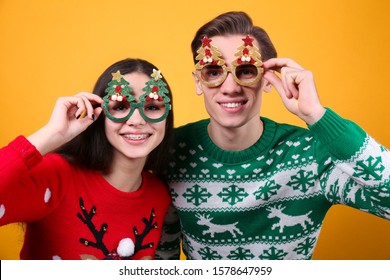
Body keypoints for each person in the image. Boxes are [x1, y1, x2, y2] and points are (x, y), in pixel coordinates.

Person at [156, 11, 390, 260]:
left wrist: (318, 117)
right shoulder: (169, 152)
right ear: (197, 81)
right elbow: (162, 258)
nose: (231, 87)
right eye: (213, 72)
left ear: (267, 79)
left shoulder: (310, 154)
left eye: (246, 71)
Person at [0, 58, 174, 260]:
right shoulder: (58, 177)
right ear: (100, 113)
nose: (136, 120)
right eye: (119, 107)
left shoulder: (159, 196)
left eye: (152, 107)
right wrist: (53, 133)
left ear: (167, 117)